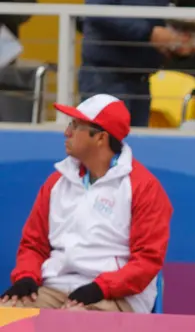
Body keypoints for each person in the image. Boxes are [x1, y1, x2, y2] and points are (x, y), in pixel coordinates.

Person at [0, 95, 172, 314]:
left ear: (100, 137)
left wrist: (101, 287)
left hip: (117, 295)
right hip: (55, 288)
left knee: (74, 321)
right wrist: (26, 276)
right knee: (5, 313)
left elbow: (147, 261)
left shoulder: (144, 187)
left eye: (75, 126)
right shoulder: (56, 183)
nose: (66, 132)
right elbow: (33, 245)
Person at [81, 0, 195, 127]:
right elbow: (98, 10)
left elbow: (158, 22)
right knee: (107, 149)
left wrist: (178, 44)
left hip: (141, 79)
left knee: (131, 151)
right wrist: (150, 33)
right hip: (108, 79)